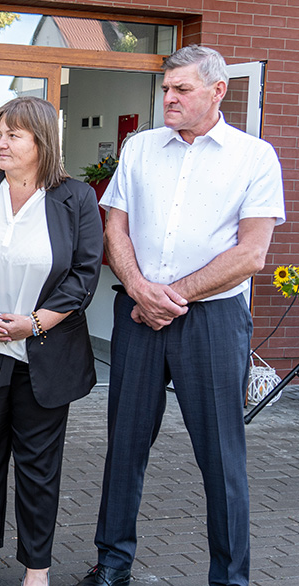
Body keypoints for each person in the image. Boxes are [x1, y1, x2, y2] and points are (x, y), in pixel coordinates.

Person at [76, 45, 285, 586]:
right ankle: (112, 564)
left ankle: (229, 578)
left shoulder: (254, 157)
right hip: (138, 314)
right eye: (166, 88)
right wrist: (140, 289)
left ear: (218, 91)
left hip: (212, 321)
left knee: (221, 455)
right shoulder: (140, 148)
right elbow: (115, 226)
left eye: (182, 89)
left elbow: (251, 254)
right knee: (125, 446)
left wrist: (172, 296)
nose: (168, 98)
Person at [0, 96, 103, 586]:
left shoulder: (76, 198)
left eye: (13, 135)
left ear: (42, 142)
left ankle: (37, 570)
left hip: (44, 356)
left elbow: (83, 275)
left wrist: (33, 323)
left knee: (38, 468)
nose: (0, 143)